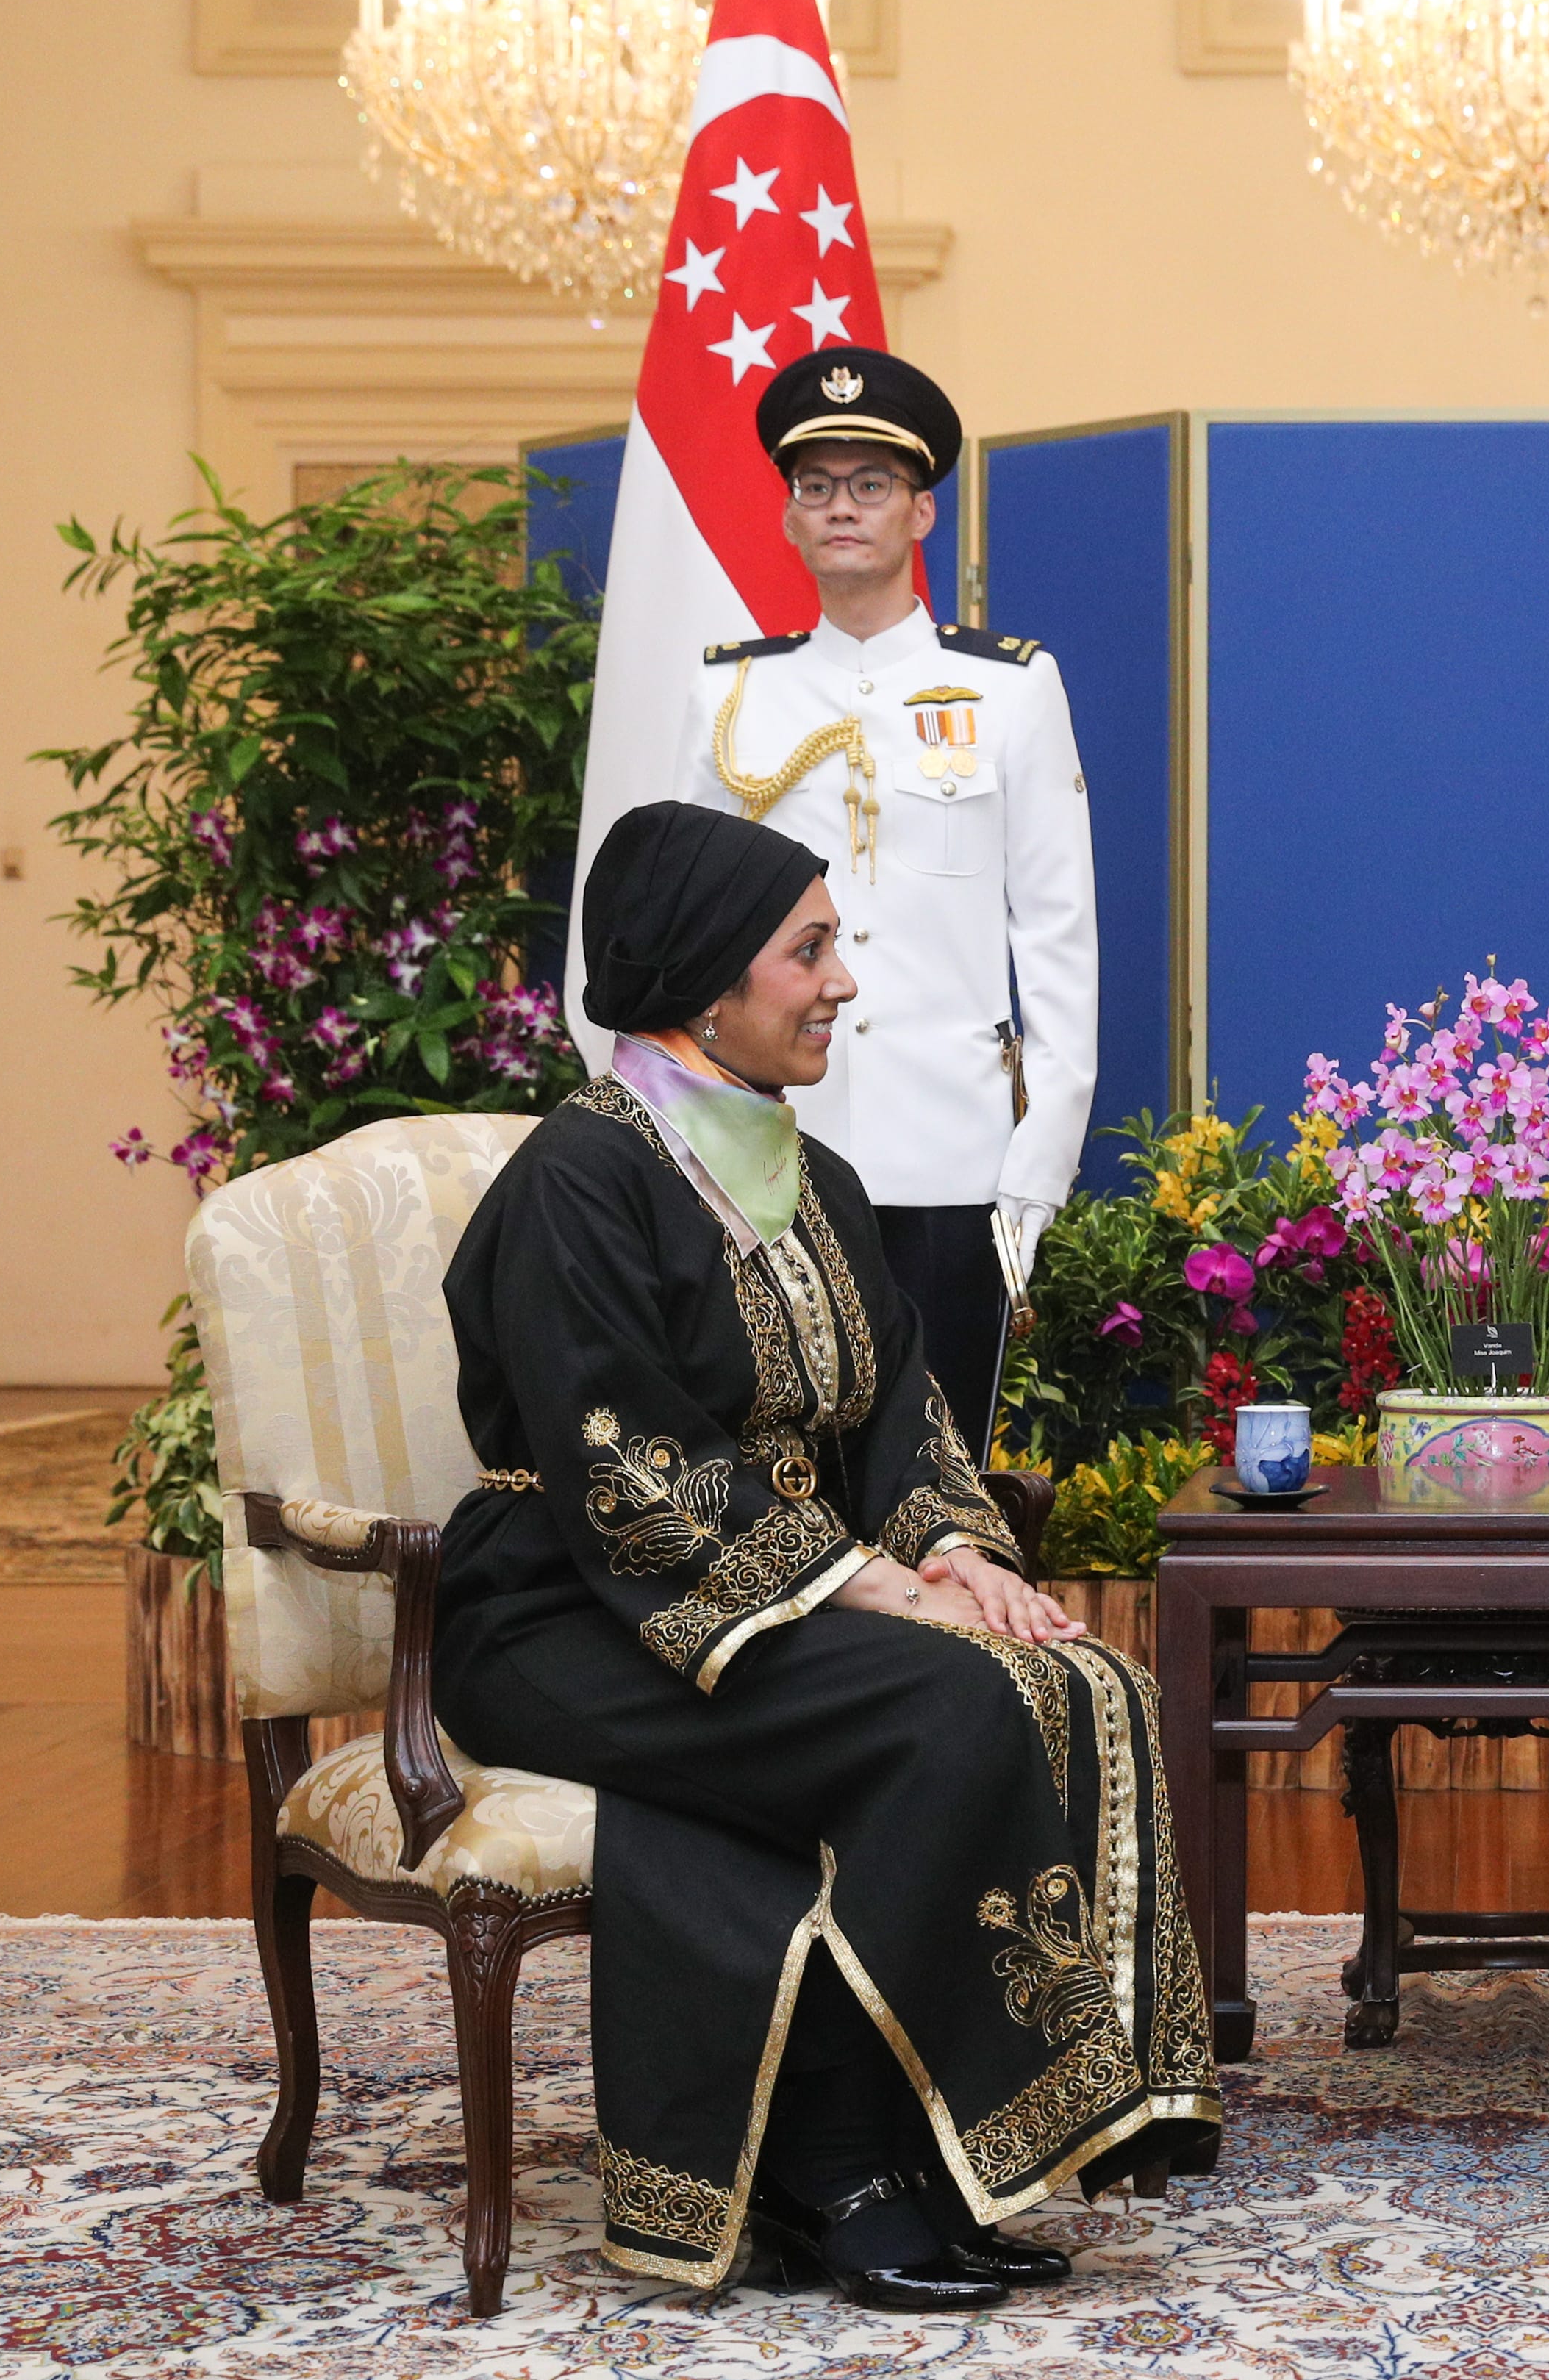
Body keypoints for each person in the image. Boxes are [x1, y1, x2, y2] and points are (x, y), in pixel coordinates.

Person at [435, 800, 1217, 2308]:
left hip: (750, 1595)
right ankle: (839, 2164)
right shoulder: (577, 1178)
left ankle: (937, 2154)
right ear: (699, 976)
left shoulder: (815, 1176)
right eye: (810, 948)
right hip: (561, 1613)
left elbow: (898, 1425)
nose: (842, 980)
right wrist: (876, 1585)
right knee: (946, 1711)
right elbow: (623, 1454)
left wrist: (959, 1556)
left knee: (1080, 1677)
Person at [681, 345, 1095, 1454]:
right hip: (761, 1142)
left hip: (950, 1155)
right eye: (814, 486)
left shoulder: (1011, 688)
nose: (841, 508)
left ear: (922, 510)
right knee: (771, 1463)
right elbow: (683, 933)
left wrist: (1035, 1169)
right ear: (787, 519)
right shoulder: (731, 693)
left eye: (870, 484)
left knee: (938, 1475)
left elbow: (1056, 937)